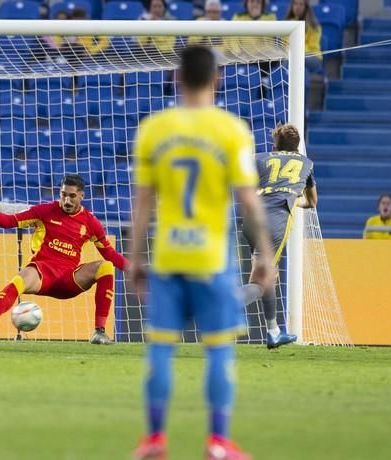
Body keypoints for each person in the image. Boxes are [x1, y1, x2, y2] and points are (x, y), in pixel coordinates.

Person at [129, 46, 274, 459]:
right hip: (212, 258)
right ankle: (218, 441)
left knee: (160, 347)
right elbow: (248, 199)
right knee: (218, 349)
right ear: (217, 79)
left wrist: (136, 259)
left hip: (170, 255)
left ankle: (155, 438)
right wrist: (265, 255)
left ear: (177, 78)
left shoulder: (155, 129)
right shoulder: (231, 130)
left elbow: (143, 203)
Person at [0, 174, 129, 345]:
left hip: (69, 279)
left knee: (106, 266)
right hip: (42, 272)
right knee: (19, 279)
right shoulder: (44, 211)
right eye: (63, 194)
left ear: (82, 196)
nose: (67, 200)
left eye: (72, 196)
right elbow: (8, 222)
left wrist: (136, 270)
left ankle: (99, 332)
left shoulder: (90, 222)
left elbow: (110, 253)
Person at [240, 124, 317, 349]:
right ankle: (226, 305)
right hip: (275, 221)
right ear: (297, 147)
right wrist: (294, 200)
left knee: (267, 276)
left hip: (251, 219)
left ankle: (273, 331)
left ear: (275, 145)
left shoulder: (260, 158)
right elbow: (312, 202)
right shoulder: (307, 164)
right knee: (260, 282)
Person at [285, 0, 324, 90]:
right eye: (295, 4)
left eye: (301, 4)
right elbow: (284, 45)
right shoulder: (287, 24)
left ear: (306, 7)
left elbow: (312, 47)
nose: (298, 7)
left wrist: (296, 49)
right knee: (290, 62)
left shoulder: (314, 25)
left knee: (294, 60)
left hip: (312, 58)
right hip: (292, 57)